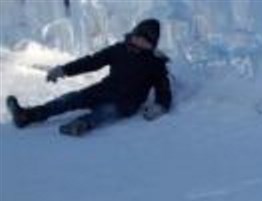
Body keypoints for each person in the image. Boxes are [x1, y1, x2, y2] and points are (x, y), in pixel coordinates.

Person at [6, 18, 172, 137]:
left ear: (152, 45)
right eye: (139, 37)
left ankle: (82, 124)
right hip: (103, 90)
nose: (141, 42)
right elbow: (92, 62)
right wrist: (63, 70)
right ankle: (27, 116)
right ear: (134, 34)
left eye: (146, 41)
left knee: (106, 112)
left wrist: (161, 106)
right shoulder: (118, 50)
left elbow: (163, 89)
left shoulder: (155, 63)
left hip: (126, 103)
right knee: (70, 99)